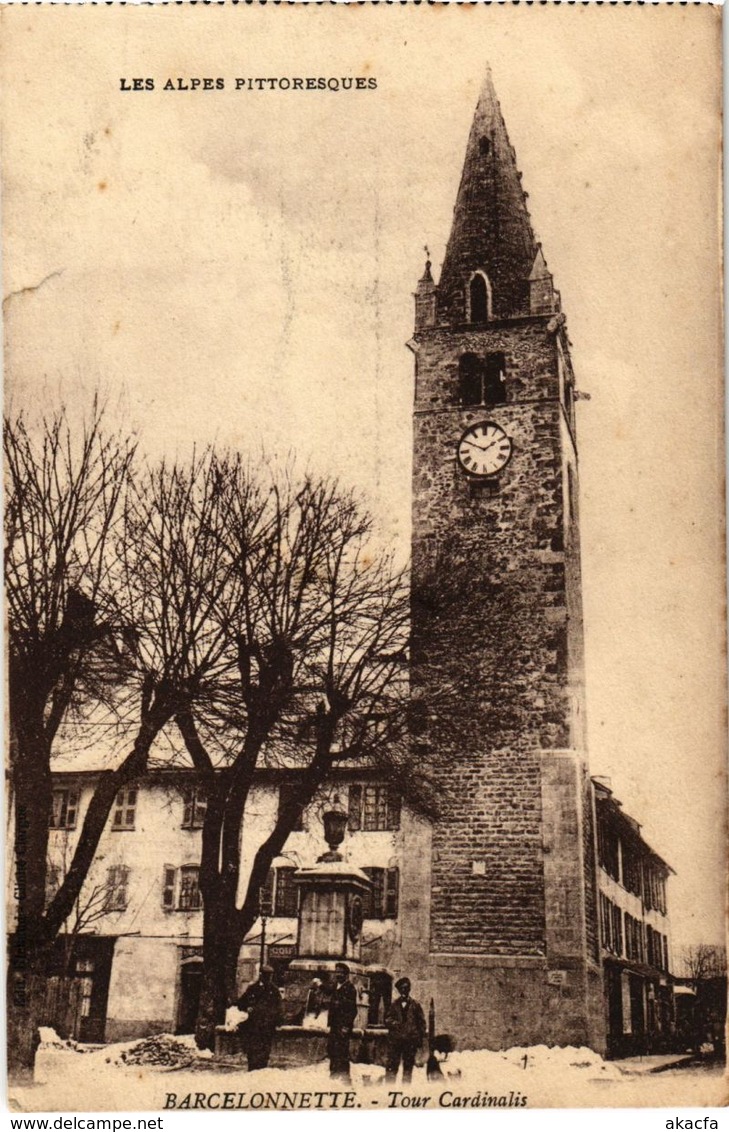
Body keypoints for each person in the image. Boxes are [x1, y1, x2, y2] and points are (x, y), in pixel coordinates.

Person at [237, 964, 283, 1071]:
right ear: (261, 975)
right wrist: (247, 1008)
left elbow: (279, 1008)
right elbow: (241, 1003)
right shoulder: (252, 989)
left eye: (270, 975)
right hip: (253, 1026)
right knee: (252, 1050)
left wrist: (278, 1022)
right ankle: (252, 1070)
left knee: (265, 1050)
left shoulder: (274, 990)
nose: (268, 978)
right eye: (266, 975)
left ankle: (262, 1071)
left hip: (267, 1026)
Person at [385, 977, 426, 1084]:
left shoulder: (416, 1005)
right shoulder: (394, 1005)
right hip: (396, 1041)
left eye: (406, 988)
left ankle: (405, 1091)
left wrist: (418, 1039)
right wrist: (393, 1023)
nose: (404, 990)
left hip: (410, 1041)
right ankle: (388, 1090)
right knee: (392, 1067)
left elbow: (422, 1023)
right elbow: (387, 1019)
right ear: (399, 990)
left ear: (409, 989)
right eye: (402, 988)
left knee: (408, 1069)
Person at [327, 962, 358, 1081]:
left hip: (343, 1027)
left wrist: (346, 1026)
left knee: (342, 1052)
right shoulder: (336, 986)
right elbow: (328, 990)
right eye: (336, 972)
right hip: (334, 1025)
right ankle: (333, 1074)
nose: (337, 974)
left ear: (346, 974)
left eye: (340, 972)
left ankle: (345, 1078)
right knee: (332, 1050)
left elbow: (352, 1010)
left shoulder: (350, 988)